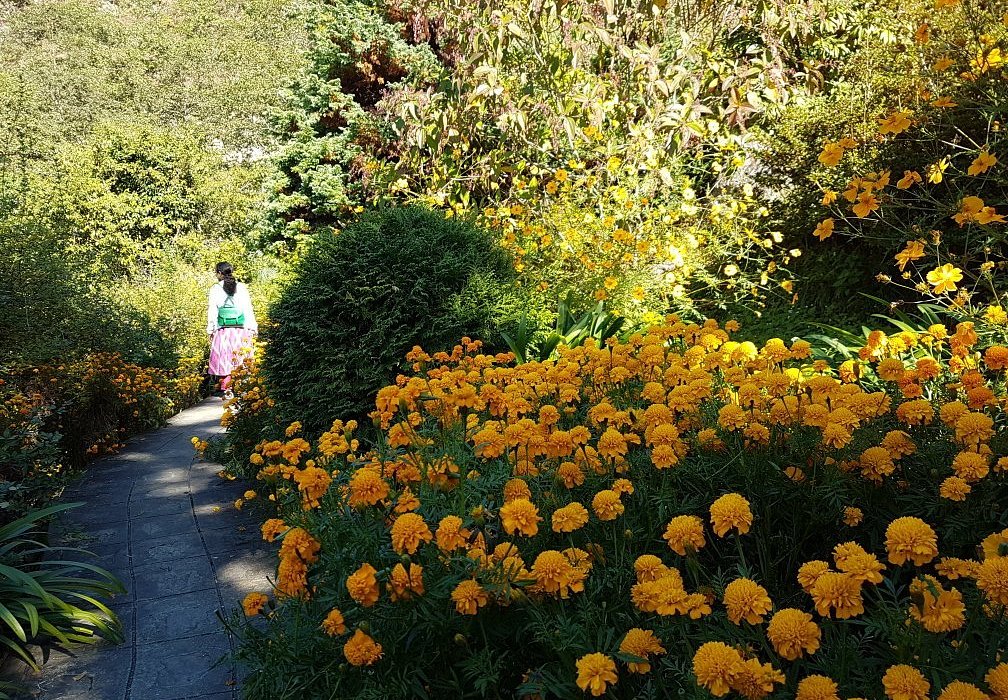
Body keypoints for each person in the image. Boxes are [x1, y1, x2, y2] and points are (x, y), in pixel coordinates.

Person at [207, 262, 257, 395]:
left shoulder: (215, 289)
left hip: (222, 329)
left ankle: (226, 387)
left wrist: (210, 329)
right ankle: (242, 387)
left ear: (219, 273)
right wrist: (253, 328)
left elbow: (212, 311)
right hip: (241, 328)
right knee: (240, 357)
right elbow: (248, 308)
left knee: (224, 358)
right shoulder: (241, 287)